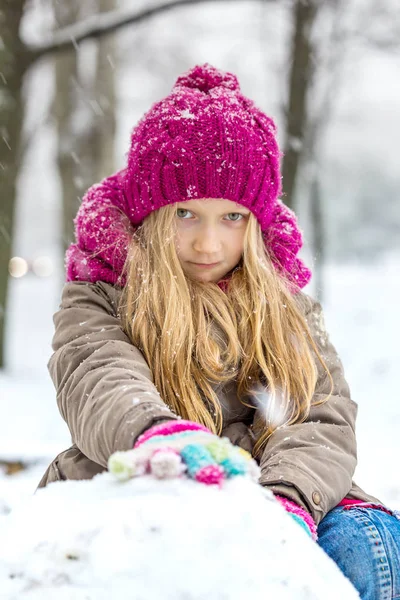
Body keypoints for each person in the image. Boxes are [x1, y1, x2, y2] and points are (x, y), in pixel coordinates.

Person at [38, 63, 400, 598]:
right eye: (186, 213)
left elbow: (319, 414)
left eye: (232, 218)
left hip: (282, 494)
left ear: (256, 224)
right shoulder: (103, 293)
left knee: (367, 546)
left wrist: (284, 505)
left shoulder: (286, 307)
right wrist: (155, 436)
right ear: (151, 214)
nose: (209, 245)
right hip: (139, 480)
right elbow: (98, 373)